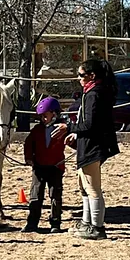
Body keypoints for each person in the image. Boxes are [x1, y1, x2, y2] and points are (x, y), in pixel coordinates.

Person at [52, 58, 120, 240]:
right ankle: (87, 223)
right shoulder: (95, 92)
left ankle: (97, 228)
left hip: (93, 145)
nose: (79, 78)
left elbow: (89, 124)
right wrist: (76, 134)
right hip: (91, 142)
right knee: (84, 185)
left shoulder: (94, 94)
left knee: (92, 188)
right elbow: (92, 123)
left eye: (81, 75)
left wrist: (70, 127)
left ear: (92, 75)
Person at [21, 97, 72, 234]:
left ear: (54, 114)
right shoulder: (37, 130)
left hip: (56, 168)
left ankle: (55, 223)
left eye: (45, 116)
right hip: (39, 168)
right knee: (35, 196)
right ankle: (32, 223)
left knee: (55, 196)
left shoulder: (62, 129)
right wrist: (28, 158)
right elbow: (28, 144)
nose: (43, 119)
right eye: (41, 116)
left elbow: (72, 142)